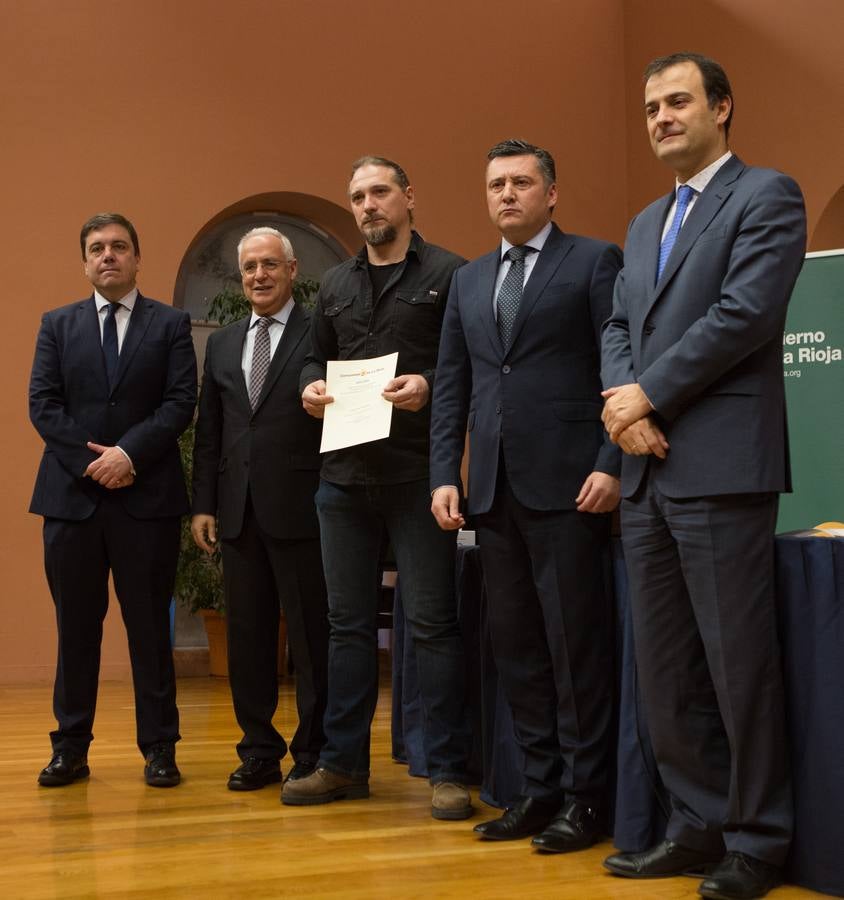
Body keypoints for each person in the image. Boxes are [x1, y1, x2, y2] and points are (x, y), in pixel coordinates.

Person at [600, 53, 806, 900]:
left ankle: (759, 841)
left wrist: (650, 391)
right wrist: (627, 407)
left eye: (678, 101)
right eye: (651, 106)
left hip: (721, 470)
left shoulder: (767, 196)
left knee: (737, 668)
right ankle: (697, 823)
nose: (661, 117)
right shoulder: (646, 221)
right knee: (667, 669)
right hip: (646, 470)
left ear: (722, 107)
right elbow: (619, 322)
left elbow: (744, 316)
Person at [430, 139, 622, 849]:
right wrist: (444, 473)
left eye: (520, 182)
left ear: (551, 193)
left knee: (576, 651)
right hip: (492, 494)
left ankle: (587, 800)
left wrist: (613, 461)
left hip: (574, 488)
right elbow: (453, 383)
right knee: (518, 650)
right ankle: (539, 792)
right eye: (494, 185)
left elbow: (617, 366)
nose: (506, 194)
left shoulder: (594, 262)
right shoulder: (470, 280)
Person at [283, 156, 473, 820]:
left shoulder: (451, 275)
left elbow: (469, 365)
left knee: (432, 625)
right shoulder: (333, 283)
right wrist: (310, 383)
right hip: (342, 478)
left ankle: (447, 770)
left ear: (407, 198)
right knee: (347, 628)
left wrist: (428, 384)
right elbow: (315, 354)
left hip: (417, 476)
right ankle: (342, 765)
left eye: (380, 192)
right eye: (359, 196)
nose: (369, 205)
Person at [29, 212, 197, 788]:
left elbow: (179, 402)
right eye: (97, 248)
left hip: (145, 499)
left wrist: (129, 455)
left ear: (136, 258)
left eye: (119, 247)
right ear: (84, 261)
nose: (108, 256)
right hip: (71, 501)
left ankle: (159, 748)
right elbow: (43, 405)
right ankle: (70, 747)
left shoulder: (171, 324)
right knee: (76, 629)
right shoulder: (57, 325)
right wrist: (94, 462)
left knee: (150, 628)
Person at [191, 227, 328, 792]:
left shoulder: (321, 331)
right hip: (237, 511)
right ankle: (258, 751)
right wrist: (202, 505)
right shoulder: (223, 343)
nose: (259, 276)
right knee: (247, 640)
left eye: (270, 265)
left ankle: (314, 751)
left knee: (312, 639)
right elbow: (211, 432)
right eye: (250, 268)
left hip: (306, 508)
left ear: (293, 270)